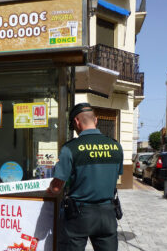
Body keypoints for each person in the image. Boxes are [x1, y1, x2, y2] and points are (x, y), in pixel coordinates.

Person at [47, 103, 123, 251]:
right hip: (108, 214)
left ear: (76, 121)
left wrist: (49, 190)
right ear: (95, 120)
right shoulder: (116, 146)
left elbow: (56, 188)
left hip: (79, 216)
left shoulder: (70, 148)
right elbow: (115, 176)